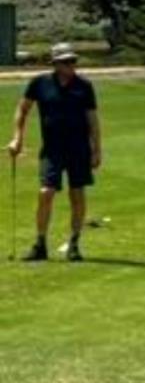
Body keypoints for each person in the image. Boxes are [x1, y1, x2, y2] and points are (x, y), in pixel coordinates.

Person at [9, 40, 100, 263]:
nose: (72, 65)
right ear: (56, 63)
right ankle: (40, 244)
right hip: (52, 149)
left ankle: (75, 244)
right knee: (45, 192)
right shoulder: (40, 84)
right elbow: (22, 110)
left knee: (77, 194)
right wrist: (17, 138)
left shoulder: (84, 86)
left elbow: (92, 120)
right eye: (67, 62)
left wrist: (97, 149)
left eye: (73, 61)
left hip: (79, 148)